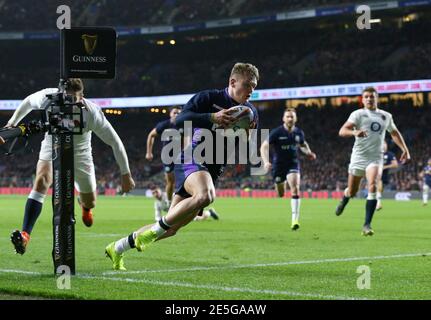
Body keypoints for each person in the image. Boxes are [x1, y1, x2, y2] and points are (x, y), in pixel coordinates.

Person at [105, 62, 259, 270]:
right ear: (233, 82)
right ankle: (154, 229)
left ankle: (118, 247)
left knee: (170, 228)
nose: (251, 91)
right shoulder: (209, 98)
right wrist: (212, 117)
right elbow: (181, 120)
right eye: (248, 85)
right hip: (193, 158)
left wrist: (246, 133)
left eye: (254, 87)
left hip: (212, 170)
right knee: (206, 196)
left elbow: (243, 142)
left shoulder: (250, 112)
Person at [2, 79, 135, 255]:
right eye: (67, 99)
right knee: (42, 180)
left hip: (81, 154)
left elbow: (115, 142)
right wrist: (11, 123)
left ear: (82, 97)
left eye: (76, 100)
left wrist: (126, 174)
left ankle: (86, 207)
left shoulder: (92, 112)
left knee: (91, 201)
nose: (71, 105)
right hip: (53, 144)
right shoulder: (47, 97)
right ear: (60, 94)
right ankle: (26, 234)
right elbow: (27, 102)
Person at [335, 87, 410, 236]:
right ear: (362, 99)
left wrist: (405, 149)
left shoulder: (385, 116)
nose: (369, 99)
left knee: (373, 185)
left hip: (375, 158)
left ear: (377, 98)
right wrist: (354, 132)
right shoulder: (358, 114)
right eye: (367, 97)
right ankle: (345, 198)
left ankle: (367, 225)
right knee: (353, 191)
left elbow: (394, 132)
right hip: (358, 157)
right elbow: (342, 131)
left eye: (372, 96)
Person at [260, 108, 316, 230]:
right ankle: (281, 182)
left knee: (295, 188)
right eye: (288, 116)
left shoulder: (299, 133)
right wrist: (265, 162)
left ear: (295, 118)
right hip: (278, 165)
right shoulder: (276, 132)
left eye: (292, 117)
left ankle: (295, 220)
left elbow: (303, 144)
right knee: (281, 193)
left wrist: (309, 152)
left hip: (293, 163)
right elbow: (264, 147)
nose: (290, 118)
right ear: (283, 119)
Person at [145, 107, 182, 205]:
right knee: (170, 181)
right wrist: (149, 152)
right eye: (174, 113)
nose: (176, 115)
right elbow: (151, 135)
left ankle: (185, 201)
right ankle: (170, 203)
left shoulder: (184, 124)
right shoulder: (165, 125)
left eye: (179, 113)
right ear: (170, 114)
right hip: (168, 156)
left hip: (181, 156)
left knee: (184, 180)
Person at [151, 186, 219, 222]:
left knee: (197, 218)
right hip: (176, 214)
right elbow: (158, 216)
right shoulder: (156, 204)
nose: (155, 194)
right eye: (153, 193)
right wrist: (158, 222)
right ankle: (208, 212)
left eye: (156, 191)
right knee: (195, 219)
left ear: (160, 190)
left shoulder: (168, 195)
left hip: (184, 208)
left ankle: (209, 212)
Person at [376, 141, 398, 211]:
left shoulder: (390, 154)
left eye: (385, 144)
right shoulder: (376, 153)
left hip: (385, 174)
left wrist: (384, 167)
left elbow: (395, 165)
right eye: (382, 144)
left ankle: (376, 200)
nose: (384, 146)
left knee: (380, 189)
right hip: (377, 173)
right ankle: (378, 204)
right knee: (379, 185)